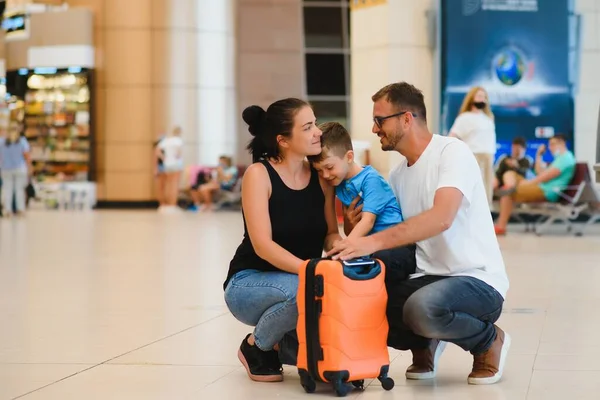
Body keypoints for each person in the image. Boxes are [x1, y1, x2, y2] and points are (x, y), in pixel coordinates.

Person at [328, 82, 511, 385]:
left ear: (406, 119)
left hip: (477, 279)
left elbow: (442, 218)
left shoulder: (452, 153)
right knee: (365, 304)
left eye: (379, 120)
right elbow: (393, 234)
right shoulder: (398, 174)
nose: (374, 129)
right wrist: (353, 229)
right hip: (425, 277)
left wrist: (370, 241)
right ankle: (423, 342)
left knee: (422, 308)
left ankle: (488, 341)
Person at [223, 99, 342, 383]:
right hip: (249, 283)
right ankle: (256, 346)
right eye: (308, 127)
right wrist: (310, 270)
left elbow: (330, 234)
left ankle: (284, 343)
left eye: (315, 123)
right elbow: (263, 245)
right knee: (305, 289)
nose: (318, 133)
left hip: (299, 277)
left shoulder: (320, 177)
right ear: (283, 140)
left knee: (326, 288)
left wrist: (346, 249)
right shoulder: (258, 175)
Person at [307, 121, 403, 238]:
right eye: (319, 170)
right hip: (370, 245)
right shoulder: (340, 183)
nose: (325, 175)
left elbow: (368, 222)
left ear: (349, 157)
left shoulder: (370, 179)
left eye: (329, 167)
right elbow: (350, 231)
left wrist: (346, 247)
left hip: (394, 242)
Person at [494, 134, 576, 235]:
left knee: (507, 193)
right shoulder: (559, 159)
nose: (550, 147)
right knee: (509, 174)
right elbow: (539, 172)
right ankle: (509, 187)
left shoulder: (566, 158)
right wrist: (539, 155)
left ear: (562, 143)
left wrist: (528, 184)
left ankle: (501, 226)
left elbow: (545, 177)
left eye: (553, 144)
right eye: (549, 145)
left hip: (547, 191)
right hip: (540, 186)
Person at [449, 86, 497, 205]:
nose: (482, 100)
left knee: (487, 192)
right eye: (479, 96)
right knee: (474, 190)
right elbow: (452, 136)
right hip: (473, 156)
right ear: (472, 98)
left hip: (488, 158)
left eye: (484, 97)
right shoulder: (464, 118)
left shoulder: (488, 118)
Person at [0, 123, 32, 217]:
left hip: (6, 169)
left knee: (7, 189)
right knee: (19, 190)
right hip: (20, 169)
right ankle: (20, 209)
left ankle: (7, 210)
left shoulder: (2, 142)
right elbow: (27, 156)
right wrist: (30, 167)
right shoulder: (22, 141)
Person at [155, 126, 184, 213]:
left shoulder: (166, 140)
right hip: (176, 164)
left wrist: (165, 158)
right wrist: (176, 157)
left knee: (167, 185)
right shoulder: (178, 140)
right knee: (174, 185)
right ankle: (172, 205)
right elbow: (179, 153)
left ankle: (165, 205)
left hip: (167, 164)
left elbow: (157, 151)